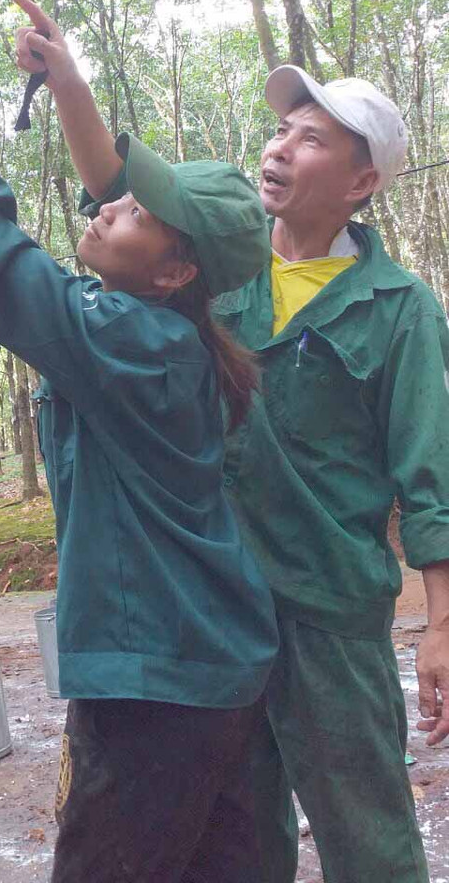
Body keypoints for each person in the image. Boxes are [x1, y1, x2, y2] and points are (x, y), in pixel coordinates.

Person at [0, 0, 279, 883]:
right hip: (207, 673)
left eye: (137, 212)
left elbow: (7, 273)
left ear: (176, 272)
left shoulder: (135, 345)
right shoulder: (159, 335)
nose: (110, 208)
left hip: (156, 689)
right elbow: (93, 218)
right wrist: (67, 81)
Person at [210, 65, 449, 883]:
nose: (278, 147)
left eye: (311, 138)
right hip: (220, 610)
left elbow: (431, 478)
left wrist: (440, 628)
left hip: (332, 616)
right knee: (237, 840)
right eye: (281, 130)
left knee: (371, 844)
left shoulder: (400, 309)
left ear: (363, 181)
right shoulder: (219, 270)